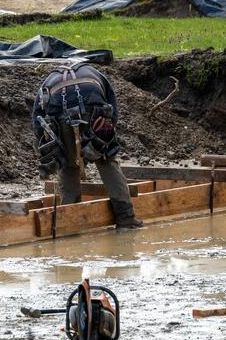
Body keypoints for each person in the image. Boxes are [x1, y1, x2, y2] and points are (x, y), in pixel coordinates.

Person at [33, 63, 144, 229]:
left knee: (68, 167)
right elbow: (112, 108)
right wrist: (105, 137)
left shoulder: (48, 81)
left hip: (59, 112)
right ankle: (126, 219)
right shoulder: (95, 73)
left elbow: (38, 121)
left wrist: (57, 151)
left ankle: (70, 223)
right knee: (107, 161)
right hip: (95, 108)